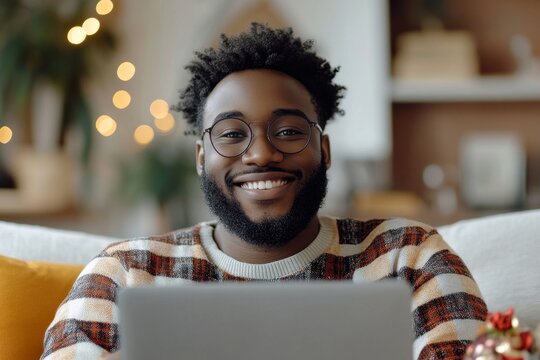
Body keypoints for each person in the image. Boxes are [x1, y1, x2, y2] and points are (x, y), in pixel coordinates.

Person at [41, 23, 487, 360]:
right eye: (232, 134)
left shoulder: (409, 257)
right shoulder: (125, 273)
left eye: (289, 130)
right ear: (201, 157)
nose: (260, 155)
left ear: (323, 150)